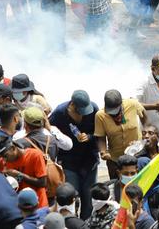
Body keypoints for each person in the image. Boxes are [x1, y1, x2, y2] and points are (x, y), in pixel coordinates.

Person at [49, 90, 99, 219]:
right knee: (71, 196)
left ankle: (85, 224)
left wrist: (89, 137)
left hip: (89, 160)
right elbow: (49, 131)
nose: (81, 116)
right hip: (69, 161)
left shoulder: (93, 109)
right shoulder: (59, 113)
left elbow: (99, 133)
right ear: (71, 105)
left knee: (88, 198)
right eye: (79, 112)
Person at [95, 89, 146, 179]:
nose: (115, 116)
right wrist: (103, 152)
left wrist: (145, 133)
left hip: (136, 155)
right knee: (117, 187)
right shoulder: (100, 116)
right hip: (115, 160)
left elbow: (144, 114)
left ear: (121, 104)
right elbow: (101, 137)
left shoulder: (132, 104)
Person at [0, 133, 49, 208]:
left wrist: (19, 175)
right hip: (20, 209)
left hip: (39, 206)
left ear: (12, 148)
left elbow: (43, 183)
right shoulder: (4, 162)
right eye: (2, 157)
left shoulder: (35, 155)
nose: (4, 160)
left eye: (5, 156)